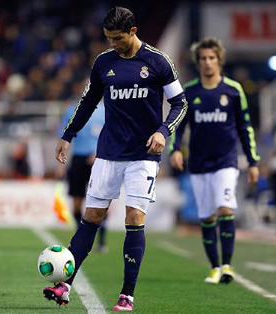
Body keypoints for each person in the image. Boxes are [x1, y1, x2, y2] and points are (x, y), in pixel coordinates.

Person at [44, 6, 187, 312]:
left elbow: (180, 103)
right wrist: (67, 136)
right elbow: (87, 102)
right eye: (108, 38)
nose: (112, 44)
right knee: (91, 218)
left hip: (143, 156)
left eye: (117, 38)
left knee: (134, 219)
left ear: (133, 32)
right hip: (108, 153)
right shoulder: (104, 63)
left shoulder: (158, 61)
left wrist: (163, 130)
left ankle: (127, 294)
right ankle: (64, 285)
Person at [170, 38, 260, 285]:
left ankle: (228, 266)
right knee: (207, 217)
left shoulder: (233, 90)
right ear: (198, 62)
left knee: (225, 208)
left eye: (211, 58)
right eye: (203, 58)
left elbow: (245, 128)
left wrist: (252, 161)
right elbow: (178, 125)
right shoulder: (190, 92)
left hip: (226, 162)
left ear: (219, 60)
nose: (207, 62)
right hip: (198, 164)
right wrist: (175, 150)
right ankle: (214, 267)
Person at [56, 99, 107, 251]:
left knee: (101, 202)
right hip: (78, 158)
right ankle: (80, 237)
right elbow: (63, 135)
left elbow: (112, 133)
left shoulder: (107, 109)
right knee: (77, 202)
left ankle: (102, 241)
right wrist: (60, 164)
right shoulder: (72, 110)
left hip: (98, 159)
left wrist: (100, 152)